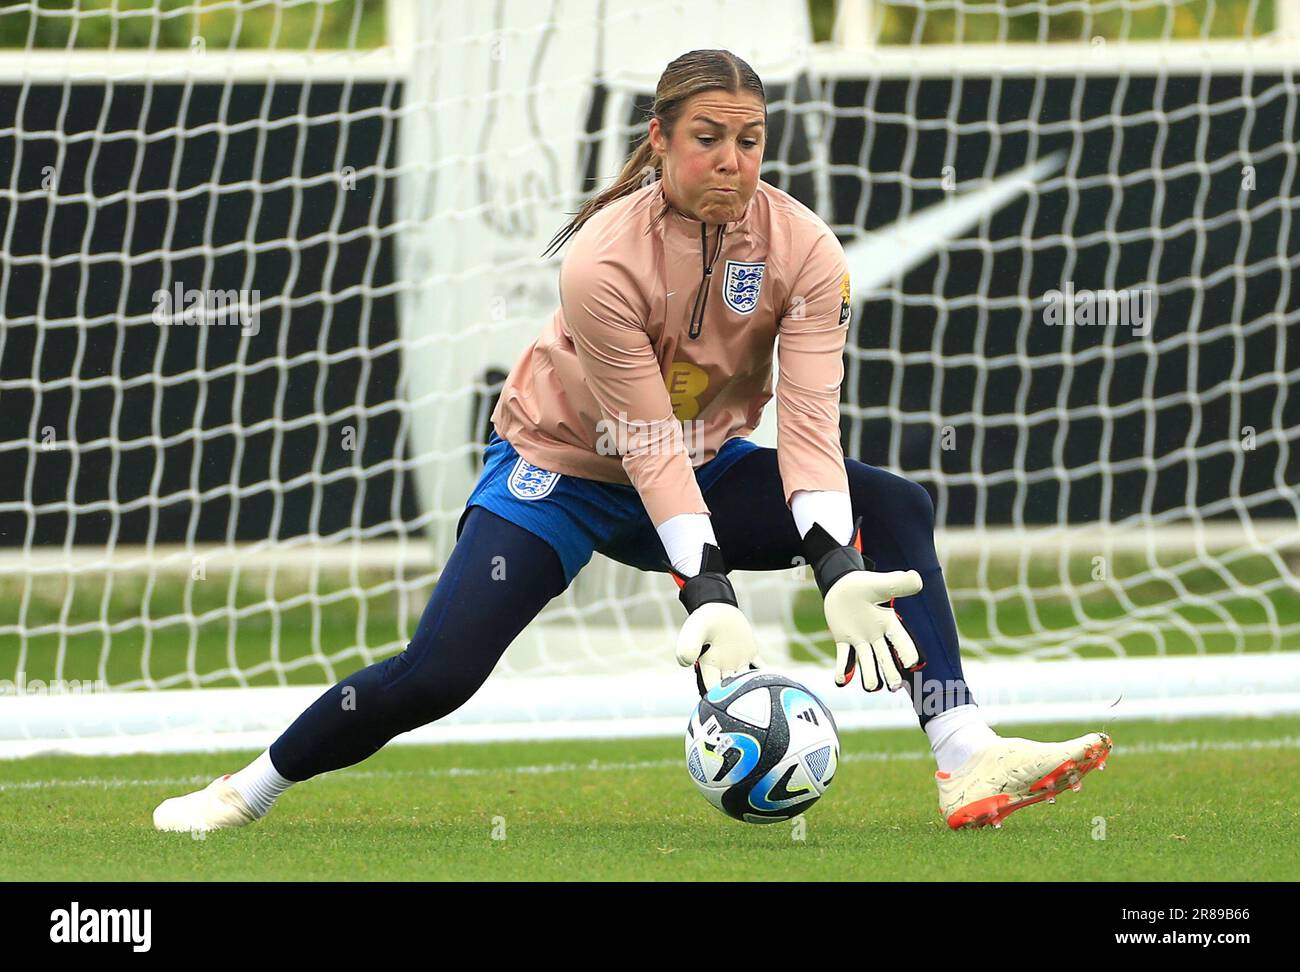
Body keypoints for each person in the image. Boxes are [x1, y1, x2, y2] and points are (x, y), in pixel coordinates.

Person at [153, 49, 1110, 835]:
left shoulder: (808, 251)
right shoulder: (602, 261)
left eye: (750, 139)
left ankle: (963, 752)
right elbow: (644, 442)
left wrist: (831, 562)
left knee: (895, 505)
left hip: (706, 467)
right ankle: (248, 789)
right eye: (708, 139)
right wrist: (714, 594)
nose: (733, 161)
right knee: (438, 672)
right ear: (658, 141)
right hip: (560, 476)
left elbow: (810, 422)